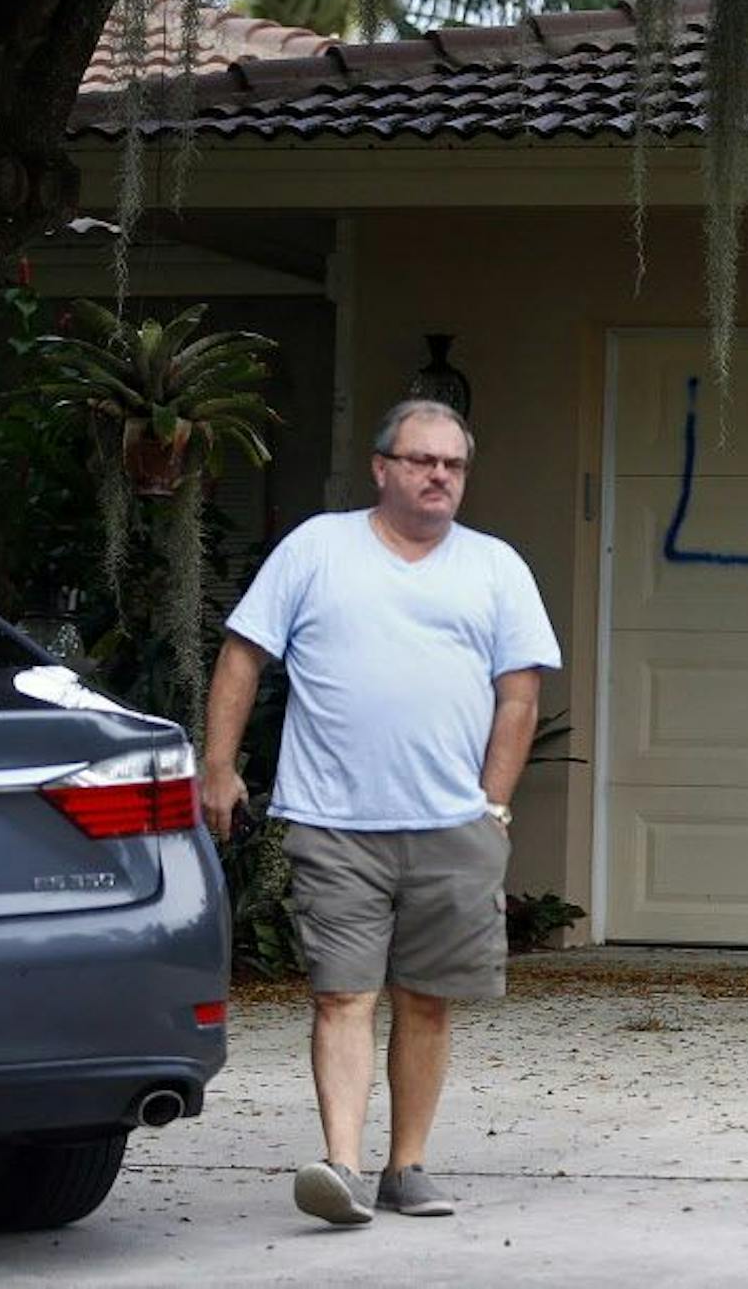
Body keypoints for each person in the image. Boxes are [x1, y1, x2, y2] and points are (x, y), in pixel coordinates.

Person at [201, 399, 562, 1227]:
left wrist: (494, 803)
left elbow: (520, 697)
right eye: (421, 459)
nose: (439, 475)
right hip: (333, 821)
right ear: (381, 467)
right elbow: (242, 653)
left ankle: (408, 1166)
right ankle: (342, 1165)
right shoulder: (316, 549)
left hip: (453, 826)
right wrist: (218, 766)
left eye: (454, 465)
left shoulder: (496, 566)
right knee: (342, 993)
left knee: (428, 997)